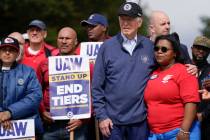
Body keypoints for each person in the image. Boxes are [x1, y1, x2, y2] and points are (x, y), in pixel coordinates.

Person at [92, 2, 157, 140]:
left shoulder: (150, 47)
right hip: (111, 123)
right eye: (122, 19)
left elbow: (166, 67)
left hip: (141, 121)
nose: (125, 23)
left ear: (139, 22)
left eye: (130, 19)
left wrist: (189, 65)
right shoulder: (106, 47)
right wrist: (102, 116)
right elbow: (97, 86)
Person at [144, 33, 200, 140]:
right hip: (155, 134)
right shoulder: (153, 73)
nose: (159, 51)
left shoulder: (185, 71)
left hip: (178, 133)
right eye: (156, 48)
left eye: (164, 49)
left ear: (174, 53)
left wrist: (184, 130)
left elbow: (191, 103)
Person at [37, 27, 88, 140]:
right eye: (61, 38)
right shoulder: (45, 64)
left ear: (75, 42)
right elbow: (36, 91)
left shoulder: (86, 65)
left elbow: (94, 93)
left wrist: (83, 119)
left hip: (76, 126)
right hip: (50, 125)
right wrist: (42, 111)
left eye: (68, 38)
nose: (64, 41)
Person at [0, 37, 43, 137]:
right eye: (4, 49)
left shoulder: (28, 72)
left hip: (25, 128)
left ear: (18, 53)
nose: (7, 52)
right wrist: (1, 114)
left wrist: (10, 112)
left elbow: (35, 96)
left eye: (11, 50)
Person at [191, 36, 210, 140]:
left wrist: (203, 114)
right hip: (183, 121)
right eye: (198, 47)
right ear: (191, 48)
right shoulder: (183, 68)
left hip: (206, 123)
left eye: (205, 49)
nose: (201, 51)